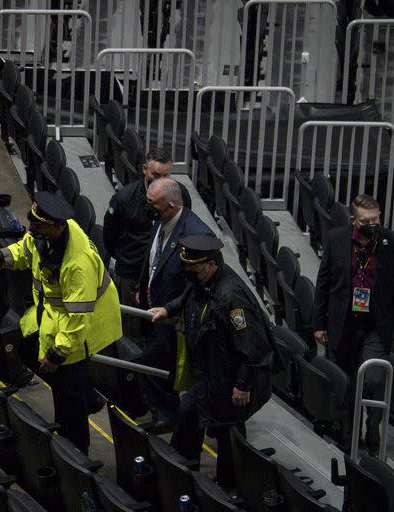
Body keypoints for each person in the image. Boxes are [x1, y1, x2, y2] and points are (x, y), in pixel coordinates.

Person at [0, 191, 122, 454]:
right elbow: (26, 250)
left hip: (79, 329)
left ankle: (76, 455)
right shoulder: (44, 233)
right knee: (28, 349)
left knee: (67, 398)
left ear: (58, 226)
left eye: (38, 225)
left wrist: (56, 355)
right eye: (33, 223)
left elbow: (76, 320)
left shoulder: (77, 264)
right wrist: (0, 257)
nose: (33, 228)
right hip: (51, 315)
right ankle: (89, 396)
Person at [150, 235, 274, 489]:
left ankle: (230, 488)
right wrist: (168, 309)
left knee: (229, 433)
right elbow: (188, 296)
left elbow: (255, 347)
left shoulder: (232, 299)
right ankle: (180, 468)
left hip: (233, 378)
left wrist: (243, 384)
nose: (188, 272)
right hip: (210, 371)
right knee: (188, 411)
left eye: (192, 267)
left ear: (212, 264)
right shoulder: (202, 280)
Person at [313, 194, 394, 452]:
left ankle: (373, 425)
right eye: (367, 220)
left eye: (376, 218)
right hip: (343, 322)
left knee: (376, 378)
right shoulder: (337, 239)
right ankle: (349, 432)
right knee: (346, 382)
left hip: (376, 326)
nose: (373, 224)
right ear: (353, 221)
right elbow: (323, 283)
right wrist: (319, 323)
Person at [137, 178, 213, 430]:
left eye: (152, 203)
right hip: (155, 306)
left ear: (171, 204)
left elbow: (197, 284)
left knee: (156, 364)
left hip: (175, 317)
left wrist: (171, 308)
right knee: (156, 364)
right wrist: (142, 287)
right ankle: (165, 412)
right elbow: (153, 257)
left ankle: (168, 416)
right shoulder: (162, 220)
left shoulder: (196, 233)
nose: (147, 207)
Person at [103, 148, 178, 342]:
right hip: (131, 274)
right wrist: (128, 259)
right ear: (145, 169)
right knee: (131, 331)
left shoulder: (178, 195)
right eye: (156, 174)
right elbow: (109, 237)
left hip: (161, 275)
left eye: (166, 175)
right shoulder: (124, 199)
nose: (161, 180)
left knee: (159, 329)